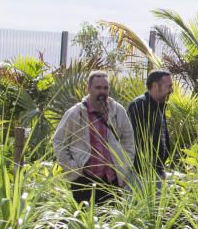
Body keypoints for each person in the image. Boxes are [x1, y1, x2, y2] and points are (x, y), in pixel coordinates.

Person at [52, 71, 136, 204]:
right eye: (98, 88)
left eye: (105, 88)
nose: (102, 91)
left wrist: (125, 167)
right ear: (89, 88)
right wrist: (73, 169)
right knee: (86, 222)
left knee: (110, 222)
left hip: (112, 180)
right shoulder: (76, 113)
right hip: (84, 180)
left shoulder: (118, 111)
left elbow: (128, 141)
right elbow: (58, 141)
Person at [126, 70, 173, 180]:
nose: (171, 90)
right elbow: (135, 142)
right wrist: (149, 170)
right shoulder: (139, 105)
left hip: (157, 172)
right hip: (141, 174)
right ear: (155, 86)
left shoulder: (160, 106)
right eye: (169, 86)